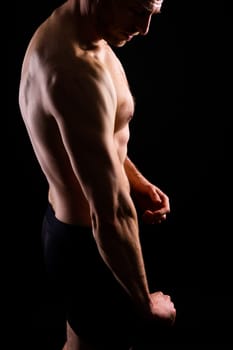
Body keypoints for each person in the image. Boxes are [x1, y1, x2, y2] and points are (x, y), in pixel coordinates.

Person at [18, 0, 176, 349]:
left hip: (75, 237)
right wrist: (146, 306)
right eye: (138, 11)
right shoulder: (74, 71)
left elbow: (94, 139)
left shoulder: (83, 30)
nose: (146, 28)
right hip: (90, 245)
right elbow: (110, 213)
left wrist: (137, 181)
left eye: (153, 13)